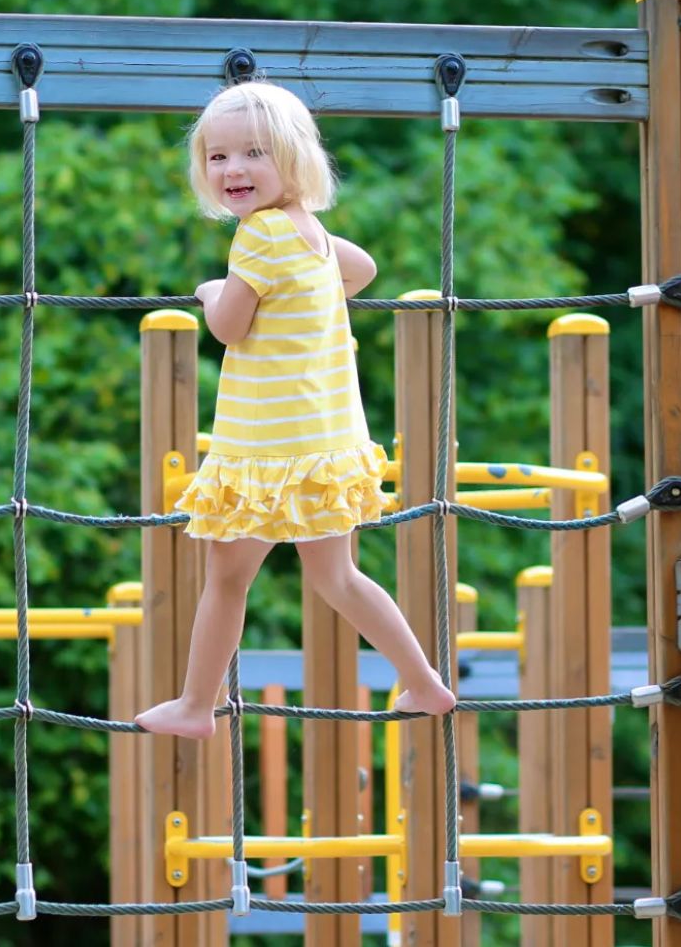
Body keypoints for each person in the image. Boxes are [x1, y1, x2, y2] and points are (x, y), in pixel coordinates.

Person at [133, 80, 456, 740]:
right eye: (218, 157)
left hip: (266, 451)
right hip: (325, 443)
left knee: (226, 580)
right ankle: (424, 682)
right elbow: (361, 268)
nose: (233, 170)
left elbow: (227, 325)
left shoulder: (257, 237)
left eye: (253, 152)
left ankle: (197, 707)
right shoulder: (309, 231)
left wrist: (210, 287)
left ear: (293, 160)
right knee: (338, 577)